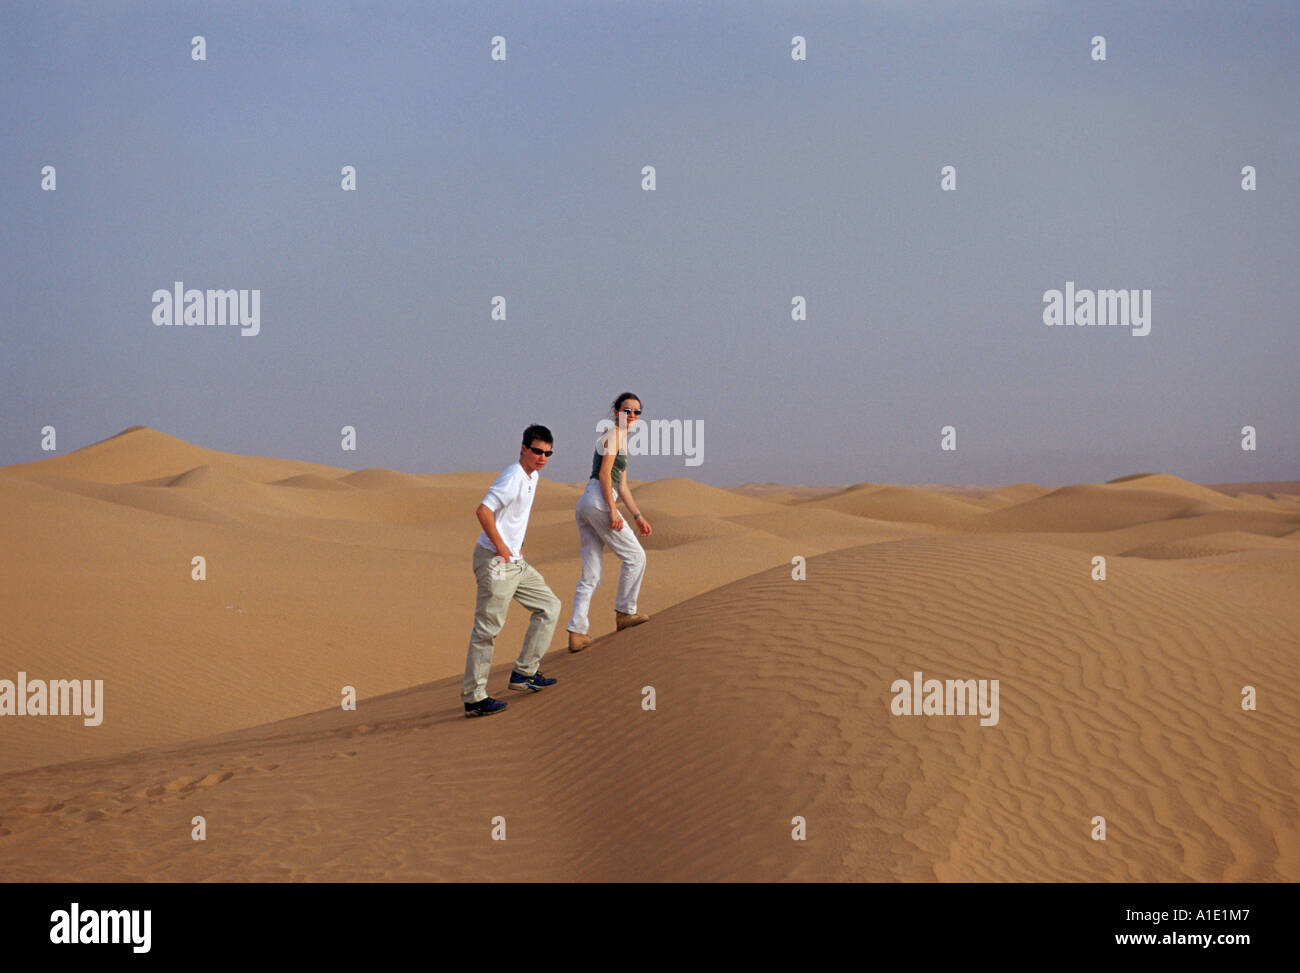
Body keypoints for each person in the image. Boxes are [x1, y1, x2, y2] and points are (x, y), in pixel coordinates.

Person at [461, 424, 562, 717]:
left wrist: (514, 550)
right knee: (487, 630)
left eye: (548, 453)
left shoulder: (533, 476)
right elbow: (483, 510)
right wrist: (502, 548)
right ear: (523, 449)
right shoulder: (513, 476)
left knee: (549, 607)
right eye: (537, 451)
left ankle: (524, 673)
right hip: (496, 561)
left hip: (516, 563)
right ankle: (474, 697)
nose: (542, 457)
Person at [566, 393, 652, 652]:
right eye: (627, 411)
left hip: (588, 503)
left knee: (591, 575)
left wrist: (637, 516)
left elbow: (622, 485)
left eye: (637, 412)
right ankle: (625, 612)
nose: (632, 415)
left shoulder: (621, 439)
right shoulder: (613, 435)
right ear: (616, 412)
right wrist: (612, 510)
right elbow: (605, 474)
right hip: (599, 501)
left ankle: (577, 632)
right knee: (636, 557)